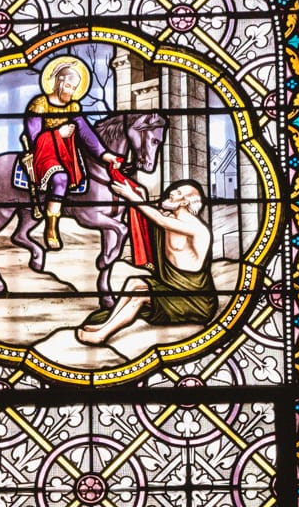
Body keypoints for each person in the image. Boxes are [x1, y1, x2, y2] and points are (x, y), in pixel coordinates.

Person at [76, 179, 217, 345]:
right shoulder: (171, 220)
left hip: (195, 300)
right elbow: (156, 220)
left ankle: (102, 335)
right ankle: (105, 324)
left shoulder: (196, 228)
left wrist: (131, 196)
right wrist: (140, 197)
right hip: (173, 287)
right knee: (134, 283)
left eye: (178, 193)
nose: (171, 192)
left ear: (185, 202)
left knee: (140, 295)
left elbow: (160, 220)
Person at [23, 56, 122, 249]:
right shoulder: (40, 104)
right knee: (60, 177)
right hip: (43, 154)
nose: (72, 91)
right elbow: (34, 138)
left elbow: (86, 133)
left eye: (75, 88)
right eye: (70, 86)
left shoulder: (72, 106)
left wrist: (105, 154)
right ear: (60, 82)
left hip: (66, 153)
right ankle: (51, 227)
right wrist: (57, 134)